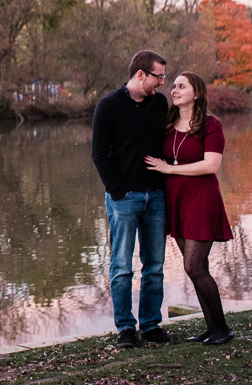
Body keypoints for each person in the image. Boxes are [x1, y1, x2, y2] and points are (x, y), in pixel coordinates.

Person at [92, 50, 175, 348]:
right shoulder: (109, 106)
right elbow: (99, 154)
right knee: (122, 267)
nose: (162, 83)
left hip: (155, 197)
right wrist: (117, 191)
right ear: (141, 74)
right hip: (124, 198)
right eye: (159, 77)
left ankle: (151, 325)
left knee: (154, 266)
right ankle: (126, 328)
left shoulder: (160, 103)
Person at [145, 71, 234, 345]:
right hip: (176, 200)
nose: (174, 90)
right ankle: (212, 328)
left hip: (202, 199)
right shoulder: (169, 122)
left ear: (196, 93)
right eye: (173, 86)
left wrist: (168, 168)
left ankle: (222, 329)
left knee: (194, 266)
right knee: (196, 267)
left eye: (181, 86)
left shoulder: (211, 125)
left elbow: (211, 165)